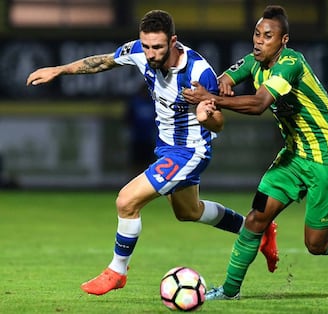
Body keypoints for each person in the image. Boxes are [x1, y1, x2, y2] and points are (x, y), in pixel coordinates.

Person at [26, 10, 278, 296]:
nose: (150, 53)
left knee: (126, 201)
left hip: (190, 151)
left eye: (157, 47)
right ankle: (256, 230)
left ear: (173, 42)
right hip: (167, 149)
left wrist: (206, 114)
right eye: (146, 46)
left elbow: (218, 123)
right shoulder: (139, 52)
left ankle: (117, 271)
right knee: (189, 211)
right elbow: (103, 61)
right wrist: (59, 70)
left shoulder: (198, 73)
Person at [183, 5, 328, 300]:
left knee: (316, 245)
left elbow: (259, 104)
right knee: (255, 219)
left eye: (268, 36)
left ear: (283, 40)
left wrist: (211, 99)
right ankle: (229, 291)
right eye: (257, 34)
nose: (259, 41)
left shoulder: (290, 64)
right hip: (292, 158)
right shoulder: (254, 61)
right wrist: (219, 84)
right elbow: (227, 77)